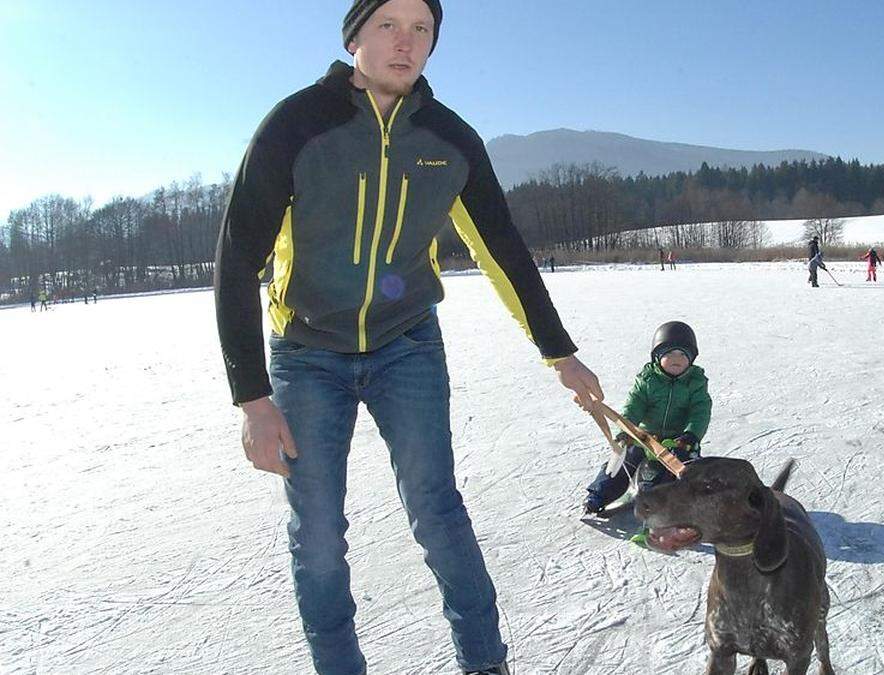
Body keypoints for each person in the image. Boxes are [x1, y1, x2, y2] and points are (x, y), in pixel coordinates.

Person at [213, 2, 604, 673]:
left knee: (438, 510)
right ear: (355, 35)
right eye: (389, 25)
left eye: (421, 29)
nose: (406, 42)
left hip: (407, 346)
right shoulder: (297, 125)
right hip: (306, 353)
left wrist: (558, 351)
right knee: (319, 538)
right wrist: (252, 396)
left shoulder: (449, 140)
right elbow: (236, 255)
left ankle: (486, 662)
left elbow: (501, 248)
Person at [584, 321, 711, 522]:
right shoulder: (647, 380)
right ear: (657, 357)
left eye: (683, 355)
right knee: (622, 461)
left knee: (687, 469)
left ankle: (689, 504)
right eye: (670, 354)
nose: (676, 359)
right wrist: (627, 430)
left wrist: (691, 435)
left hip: (678, 440)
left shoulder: (696, 383)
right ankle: (598, 495)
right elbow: (634, 406)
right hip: (645, 437)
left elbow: (700, 411)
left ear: (691, 359)